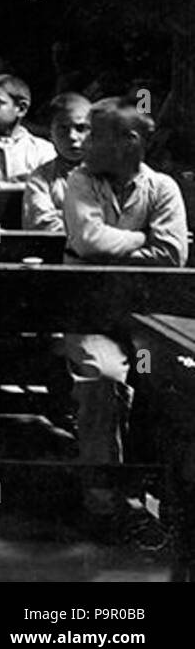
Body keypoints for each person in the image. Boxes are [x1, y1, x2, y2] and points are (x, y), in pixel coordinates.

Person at [62, 95, 187, 547]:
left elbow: (172, 253)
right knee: (104, 375)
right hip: (90, 312)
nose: (84, 143)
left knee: (175, 377)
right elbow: (89, 238)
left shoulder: (162, 188)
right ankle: (105, 503)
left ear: (129, 141)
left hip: (149, 318)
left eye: (95, 135)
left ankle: (166, 502)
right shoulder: (81, 180)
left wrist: (121, 247)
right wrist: (141, 238)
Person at [22, 93, 90, 231]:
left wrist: (63, 216)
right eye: (62, 129)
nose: (72, 136)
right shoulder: (41, 178)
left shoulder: (112, 172)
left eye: (81, 128)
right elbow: (41, 222)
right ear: (50, 135)